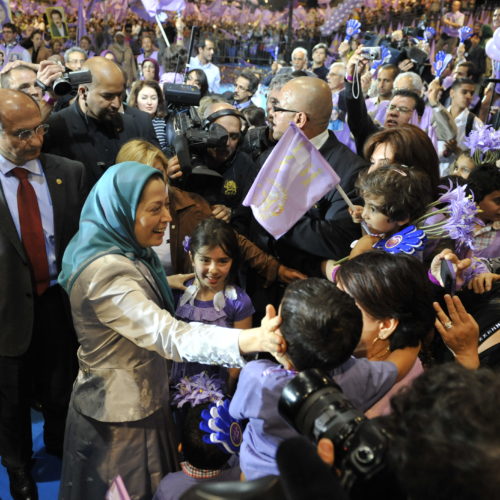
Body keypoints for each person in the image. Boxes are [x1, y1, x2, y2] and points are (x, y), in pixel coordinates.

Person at [57, 161, 284, 499]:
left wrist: (165, 280)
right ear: (120, 209)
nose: (168, 217)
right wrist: (251, 339)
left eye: (167, 204)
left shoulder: (114, 246)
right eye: (155, 208)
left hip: (144, 396)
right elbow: (171, 334)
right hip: (123, 419)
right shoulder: (107, 274)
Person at [230, 277, 419, 479]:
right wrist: (418, 329)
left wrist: (262, 338)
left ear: (280, 338)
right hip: (316, 476)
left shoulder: (258, 378)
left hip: (259, 473)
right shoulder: (359, 375)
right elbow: (400, 365)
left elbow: (236, 411)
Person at [0, 89, 88, 500]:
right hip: (6, 311)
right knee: (12, 400)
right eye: (21, 134)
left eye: (39, 129)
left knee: (61, 387)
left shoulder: (68, 173)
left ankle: (58, 444)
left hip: (59, 303)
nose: (34, 141)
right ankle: (17, 467)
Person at [336, 251, 435, 417]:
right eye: (334, 295)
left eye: (346, 303)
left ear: (386, 326)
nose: (330, 308)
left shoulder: (388, 405)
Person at [42, 56, 158, 187]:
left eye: (120, 95)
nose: (116, 104)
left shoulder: (131, 125)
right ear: (83, 92)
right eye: (107, 96)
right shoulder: (56, 128)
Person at [170, 218, 254, 391]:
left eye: (223, 261)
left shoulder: (238, 301)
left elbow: (238, 359)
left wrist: (227, 393)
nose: (214, 269)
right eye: (205, 260)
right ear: (192, 257)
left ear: (232, 261)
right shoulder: (177, 292)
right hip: (173, 387)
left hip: (216, 393)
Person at [128, 80, 167, 150]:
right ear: (136, 101)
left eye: (153, 98)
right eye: (144, 98)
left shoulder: (165, 121)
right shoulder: (130, 123)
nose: (149, 102)